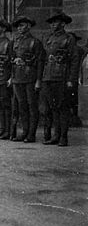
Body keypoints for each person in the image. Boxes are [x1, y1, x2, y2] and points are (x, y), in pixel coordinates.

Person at [41, 11, 78, 146]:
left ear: (63, 24)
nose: (52, 25)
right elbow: (43, 58)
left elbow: (74, 60)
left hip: (62, 77)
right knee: (53, 107)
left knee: (63, 107)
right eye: (51, 23)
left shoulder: (69, 39)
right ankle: (56, 135)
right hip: (49, 77)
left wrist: (71, 79)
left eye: (55, 22)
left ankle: (63, 136)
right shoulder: (48, 39)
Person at [10, 15, 44, 142]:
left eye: (22, 25)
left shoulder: (35, 42)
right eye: (18, 26)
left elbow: (40, 62)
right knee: (21, 106)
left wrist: (38, 80)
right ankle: (24, 131)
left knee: (32, 106)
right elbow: (11, 59)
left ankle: (31, 134)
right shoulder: (15, 42)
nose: (20, 28)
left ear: (29, 27)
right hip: (18, 78)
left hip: (30, 78)